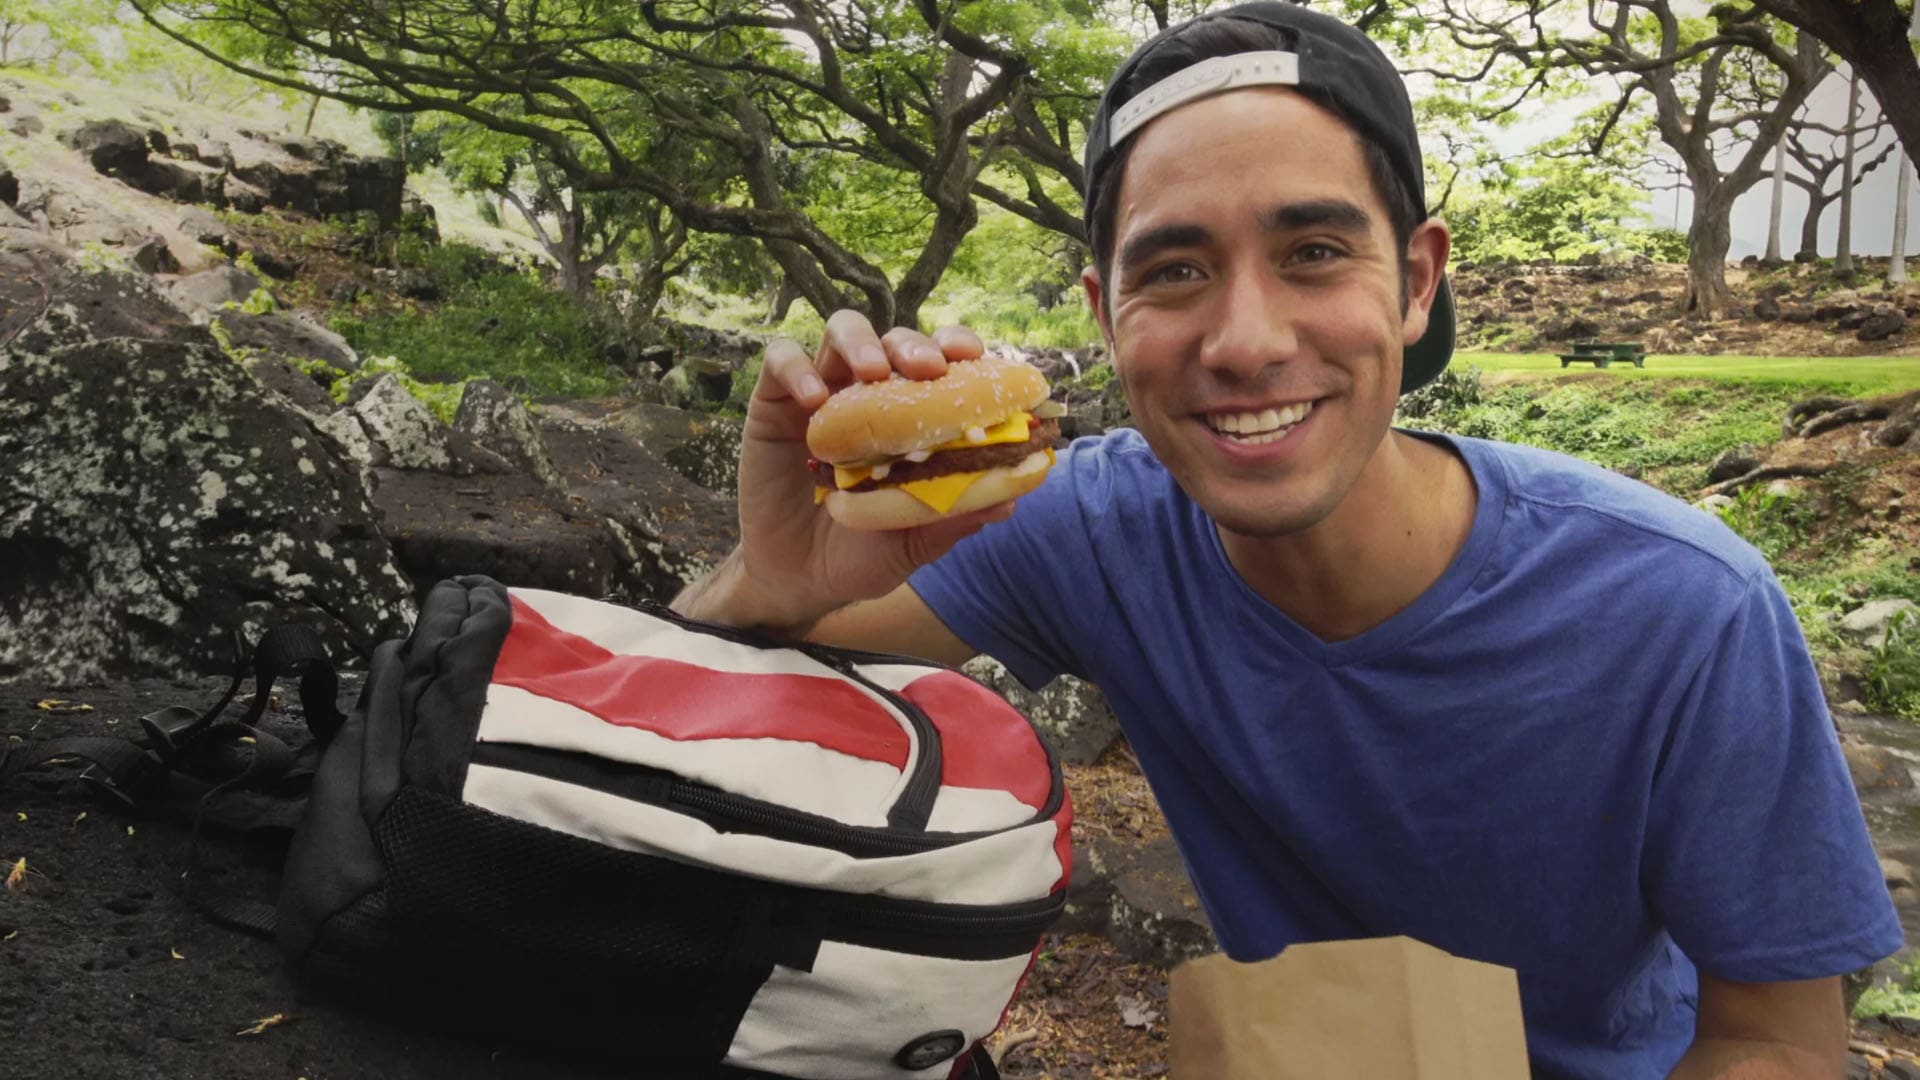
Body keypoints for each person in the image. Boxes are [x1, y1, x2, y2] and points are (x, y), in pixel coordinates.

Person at [672, 3, 1902, 1076]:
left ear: (1417, 283)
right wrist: (767, 571)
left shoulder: (1683, 609)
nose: (1247, 340)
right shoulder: (1091, 526)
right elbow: (708, 681)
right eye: (1176, 271)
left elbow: (1778, 1038)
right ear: (1106, 316)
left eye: (1314, 252)